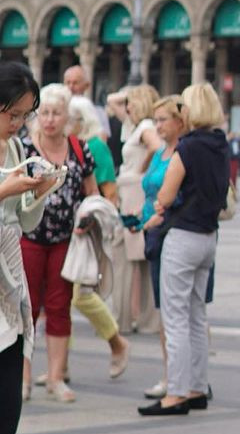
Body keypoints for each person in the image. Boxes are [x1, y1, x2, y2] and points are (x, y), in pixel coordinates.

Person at [139, 83, 230, 416]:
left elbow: (165, 195)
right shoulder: (221, 144)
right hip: (209, 237)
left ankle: (176, 393)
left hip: (182, 235)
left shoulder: (188, 148)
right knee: (196, 316)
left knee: (175, 318)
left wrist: (161, 203)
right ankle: (197, 387)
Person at [0, 64, 60, 434]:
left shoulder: (18, 150)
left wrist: (38, 192)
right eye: (12, 114)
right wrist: (7, 189)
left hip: (9, 288)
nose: (18, 124)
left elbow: (26, 219)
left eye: (25, 115)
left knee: (7, 408)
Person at [18, 85, 100, 402]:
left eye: (56, 113)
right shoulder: (24, 148)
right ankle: (23, 377)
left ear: (68, 116)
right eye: (44, 113)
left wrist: (89, 218)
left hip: (67, 239)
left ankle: (55, 378)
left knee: (59, 307)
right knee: (28, 309)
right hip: (30, 237)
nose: (50, 120)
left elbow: (92, 194)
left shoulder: (80, 149)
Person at [64, 96, 129, 381]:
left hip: (87, 230)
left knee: (81, 296)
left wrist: (98, 223)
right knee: (61, 299)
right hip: (61, 230)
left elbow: (109, 192)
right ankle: (60, 365)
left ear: (81, 121)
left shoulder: (95, 147)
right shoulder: (57, 144)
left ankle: (116, 341)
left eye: (67, 118)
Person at [139, 96, 185, 400]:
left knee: (176, 312)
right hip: (152, 234)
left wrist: (158, 217)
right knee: (162, 311)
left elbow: (182, 196)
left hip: (169, 232)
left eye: (162, 120)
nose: (157, 126)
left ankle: (178, 377)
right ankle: (170, 372)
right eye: (155, 120)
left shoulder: (181, 154)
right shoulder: (161, 152)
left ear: (179, 122)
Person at [114, 84, 162, 334]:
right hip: (130, 189)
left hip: (134, 189)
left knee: (133, 253)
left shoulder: (145, 127)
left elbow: (155, 147)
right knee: (136, 255)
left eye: (131, 101)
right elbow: (113, 101)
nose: (127, 106)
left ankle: (139, 316)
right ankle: (140, 316)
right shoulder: (133, 126)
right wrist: (128, 94)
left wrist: (141, 169)